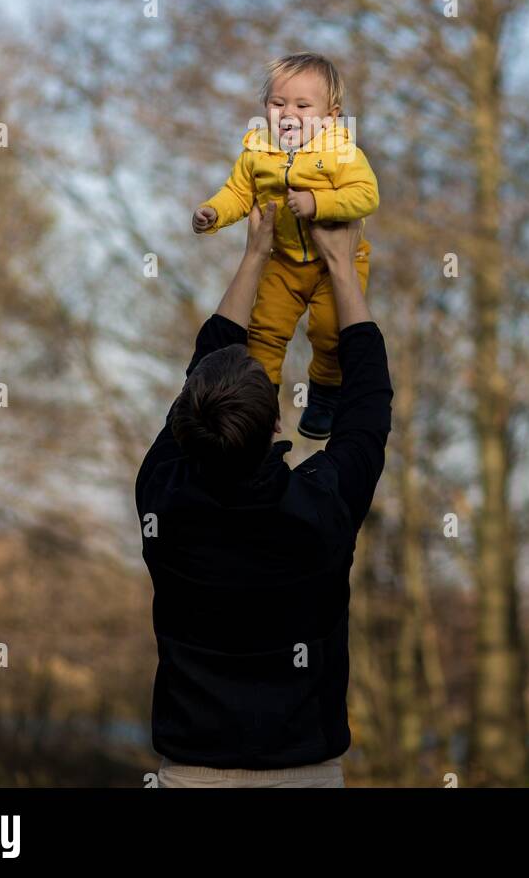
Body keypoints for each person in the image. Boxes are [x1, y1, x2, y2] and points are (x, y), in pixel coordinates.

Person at [135, 201, 393, 787]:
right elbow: (367, 408)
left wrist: (254, 256)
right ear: (277, 426)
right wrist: (342, 269)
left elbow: (202, 373)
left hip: (188, 776)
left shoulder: (163, 498)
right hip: (303, 776)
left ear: (186, 424)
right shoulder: (319, 508)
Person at [191, 52, 379, 439]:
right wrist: (213, 212)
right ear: (265, 108)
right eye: (278, 104)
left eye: (302, 105)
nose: (288, 113)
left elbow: (366, 195)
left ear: (331, 114)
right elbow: (237, 194)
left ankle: (326, 393)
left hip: (337, 261)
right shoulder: (257, 154)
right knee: (264, 330)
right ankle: (261, 401)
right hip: (285, 261)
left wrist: (318, 203)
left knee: (329, 330)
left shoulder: (342, 153)